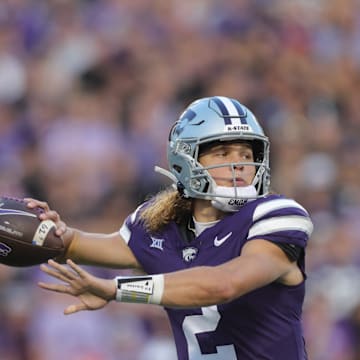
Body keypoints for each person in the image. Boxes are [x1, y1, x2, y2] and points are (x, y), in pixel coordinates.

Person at [26, 96, 314, 360]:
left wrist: (116, 289)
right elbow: (73, 245)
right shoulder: (159, 226)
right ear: (186, 161)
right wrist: (48, 229)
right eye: (223, 153)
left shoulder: (274, 215)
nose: (238, 164)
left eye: (246, 154)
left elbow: (223, 285)